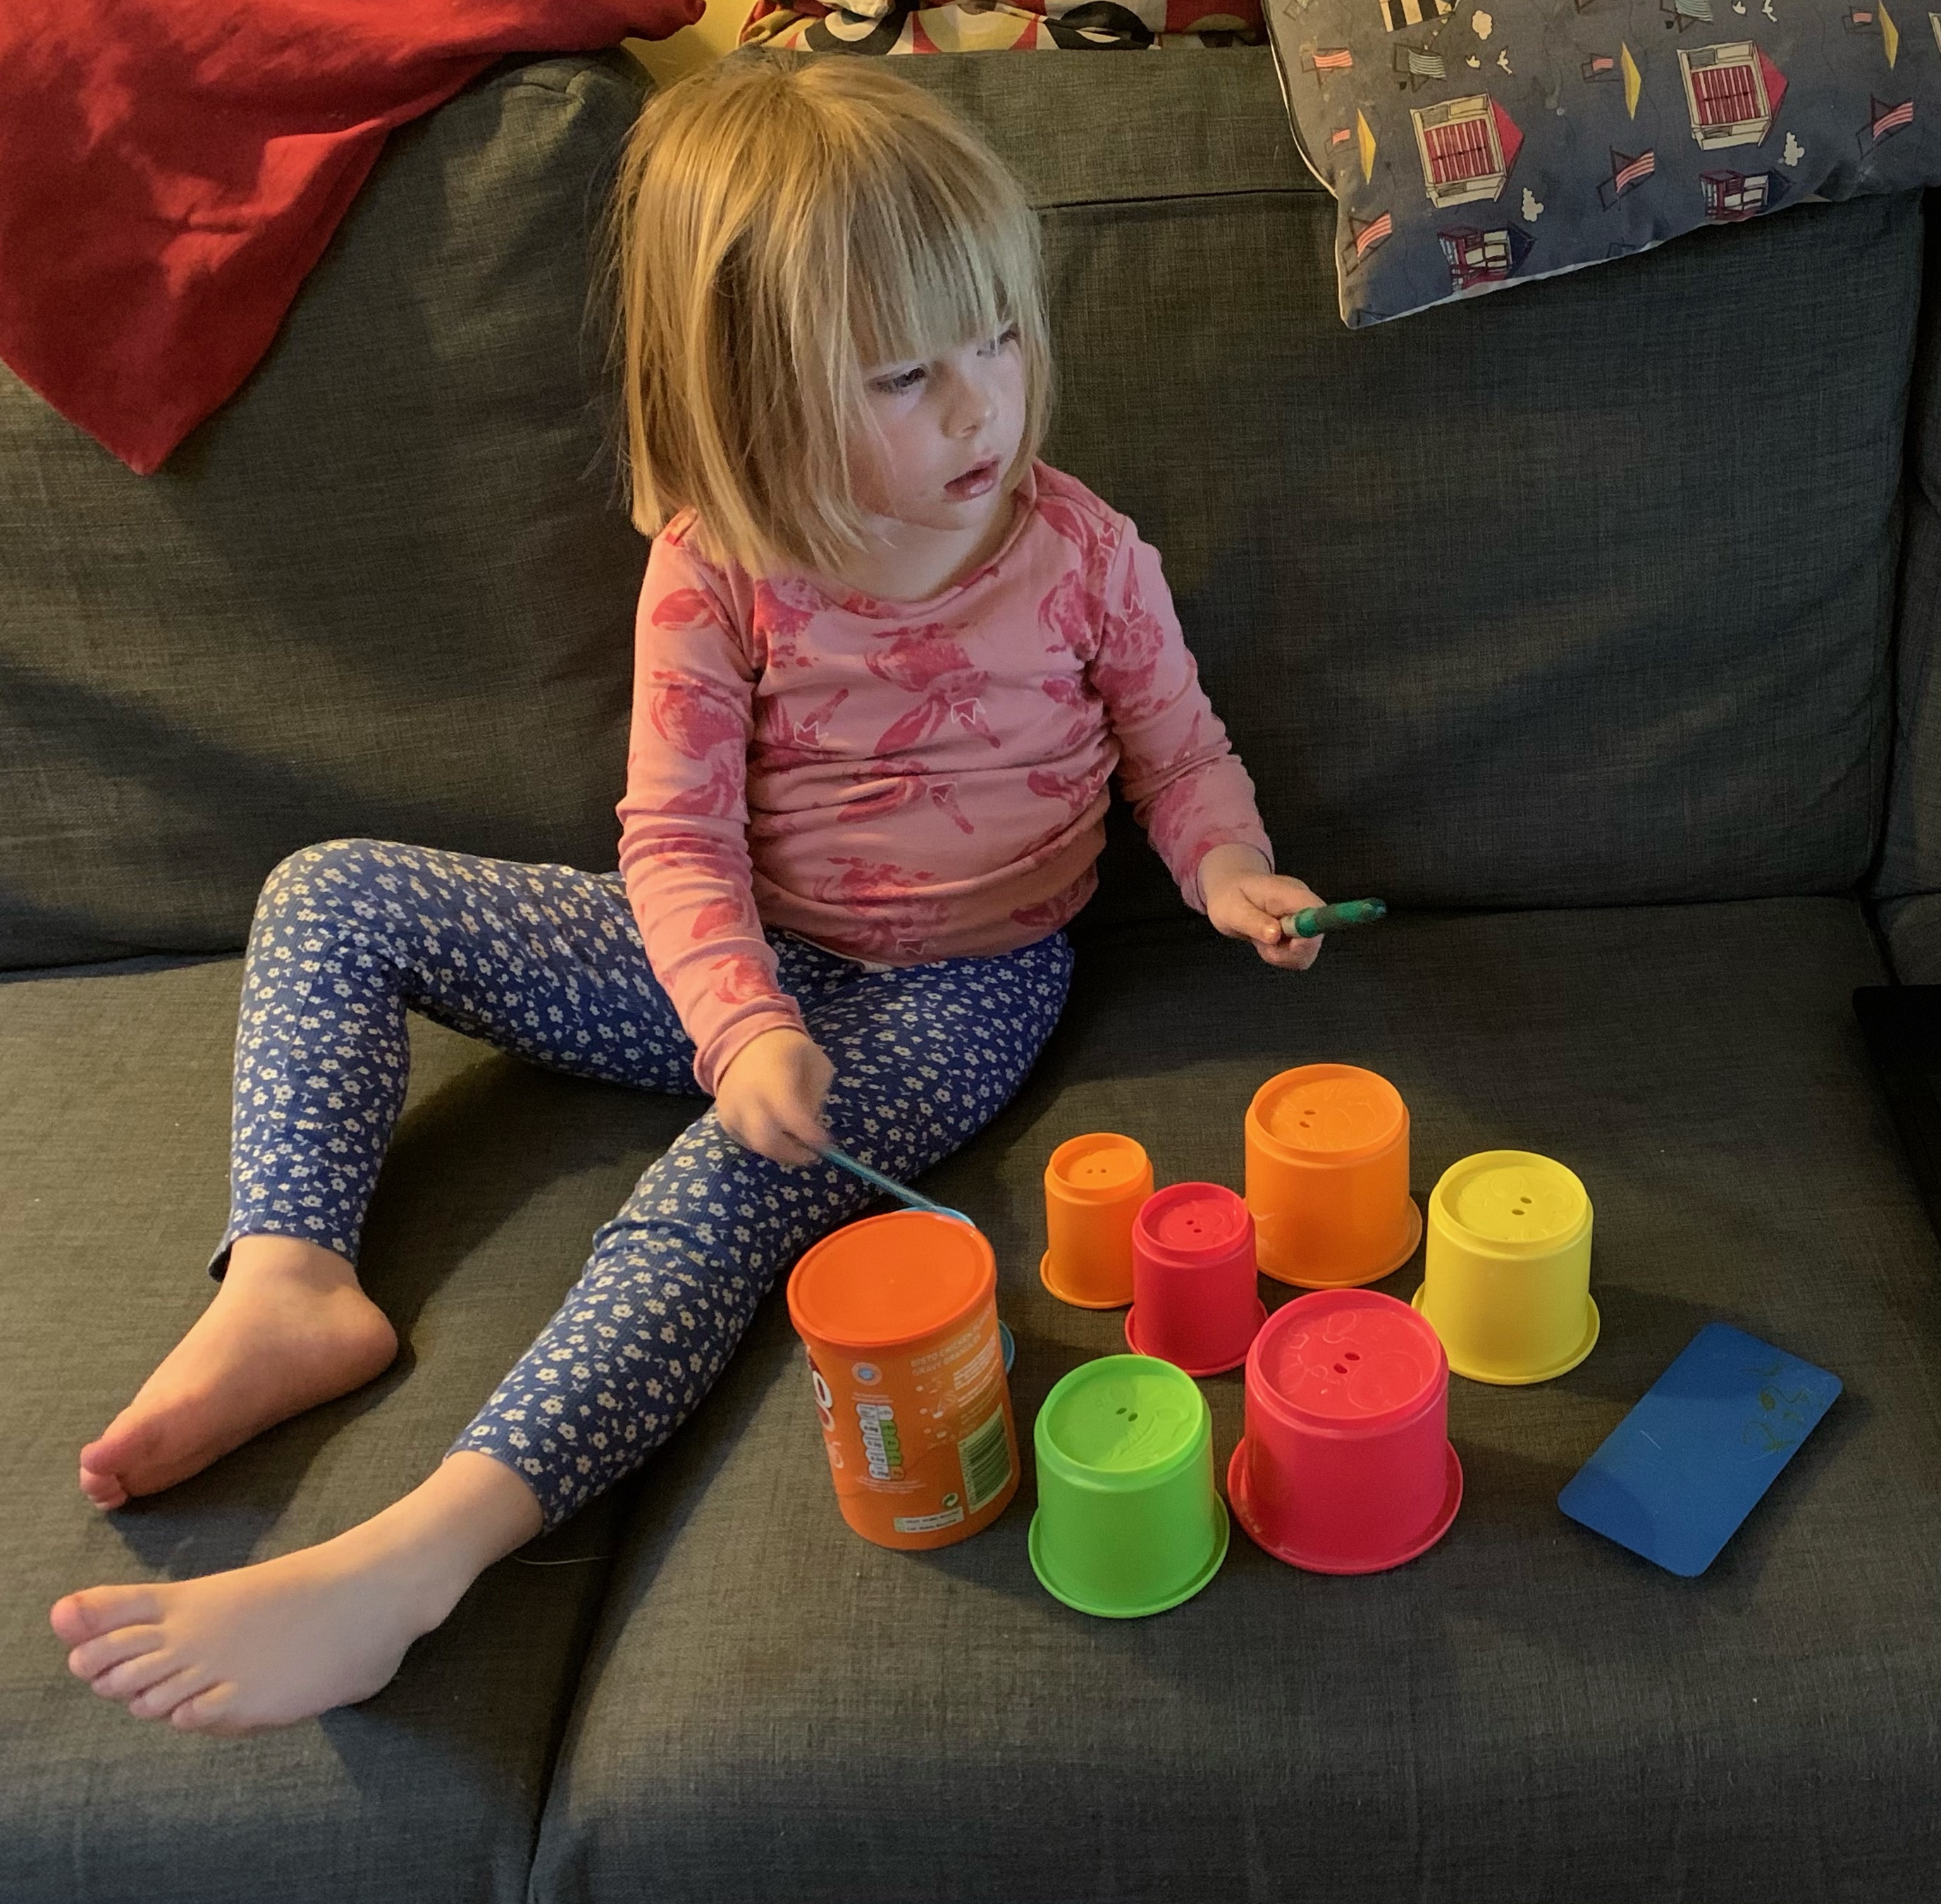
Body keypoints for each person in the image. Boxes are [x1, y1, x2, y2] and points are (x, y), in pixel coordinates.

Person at [50, 54, 1330, 1733]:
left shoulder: (1082, 551)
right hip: (725, 958)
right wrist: (736, 1021)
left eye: (1001, 341)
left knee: (713, 1202)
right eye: (903, 373)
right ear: (749, 393)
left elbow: (1176, 753)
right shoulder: (718, 566)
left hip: (964, 984)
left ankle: (420, 1557)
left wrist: (1230, 869)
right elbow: (674, 844)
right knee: (332, 889)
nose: (979, 411)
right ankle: (291, 1283)